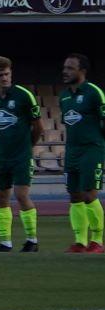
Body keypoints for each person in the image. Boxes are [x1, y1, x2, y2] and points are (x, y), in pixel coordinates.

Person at [0, 55, 43, 253]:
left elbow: (38, 127)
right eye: (0, 75)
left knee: (20, 195)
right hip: (0, 155)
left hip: (20, 155)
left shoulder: (24, 95)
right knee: (1, 197)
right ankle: (5, 241)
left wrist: (27, 147)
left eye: (7, 74)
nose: (4, 78)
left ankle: (32, 239)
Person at [62, 52, 102, 254]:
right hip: (72, 151)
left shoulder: (94, 93)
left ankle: (97, 241)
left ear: (82, 71)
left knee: (89, 194)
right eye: (65, 67)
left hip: (91, 150)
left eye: (70, 68)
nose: (65, 71)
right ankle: (79, 241)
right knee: (74, 195)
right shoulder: (64, 95)